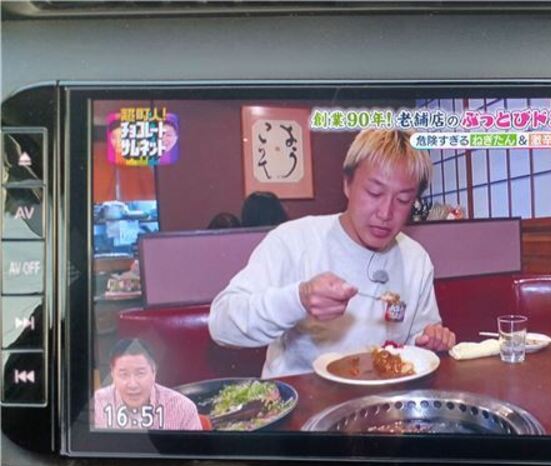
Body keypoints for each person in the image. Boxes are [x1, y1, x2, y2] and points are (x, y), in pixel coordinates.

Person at [209, 129, 456, 377]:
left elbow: (418, 338)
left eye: (403, 200)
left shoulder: (416, 259)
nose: (385, 213)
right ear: (347, 184)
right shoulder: (294, 240)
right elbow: (221, 325)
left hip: (384, 395)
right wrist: (298, 299)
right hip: (303, 396)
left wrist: (429, 339)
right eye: (374, 193)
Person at [93, 338, 202, 431]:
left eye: (140, 373)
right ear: (112, 374)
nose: (132, 384)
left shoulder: (183, 409)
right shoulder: (96, 405)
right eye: (124, 374)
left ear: (154, 372)